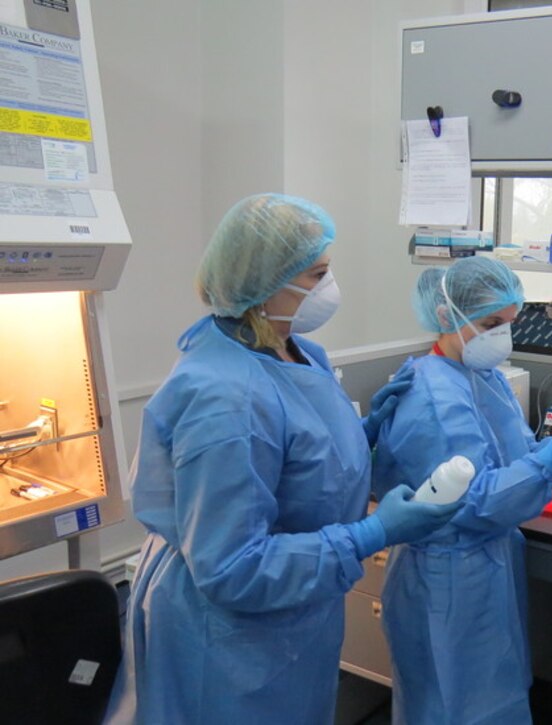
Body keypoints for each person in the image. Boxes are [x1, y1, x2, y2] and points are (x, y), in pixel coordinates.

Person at [106, 194, 462, 724]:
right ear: (264, 282)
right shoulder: (226, 400)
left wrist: (364, 432)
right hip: (229, 640)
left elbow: (296, 456)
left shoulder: (294, 349)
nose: (329, 287)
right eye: (317, 274)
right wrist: (374, 532)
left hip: (294, 615)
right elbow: (233, 568)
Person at [372, 256, 552, 724]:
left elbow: (516, 456)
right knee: (451, 707)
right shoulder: (431, 395)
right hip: (447, 578)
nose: (503, 337)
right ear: (447, 316)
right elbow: (476, 502)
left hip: (487, 564)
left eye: (509, 323)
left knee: (493, 700)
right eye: (492, 324)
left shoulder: (483, 376)